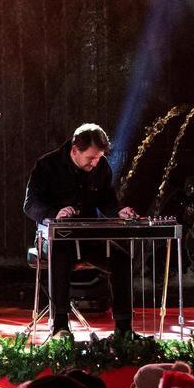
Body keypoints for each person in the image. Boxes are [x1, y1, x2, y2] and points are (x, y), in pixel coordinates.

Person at [23, 123, 138, 339]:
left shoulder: (100, 166)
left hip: (88, 238)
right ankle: (60, 326)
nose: (95, 163)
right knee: (61, 256)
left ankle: (124, 328)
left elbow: (106, 198)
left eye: (98, 158)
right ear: (75, 150)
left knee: (122, 259)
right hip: (54, 240)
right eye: (91, 158)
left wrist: (119, 211)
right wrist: (55, 213)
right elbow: (30, 205)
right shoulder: (47, 165)